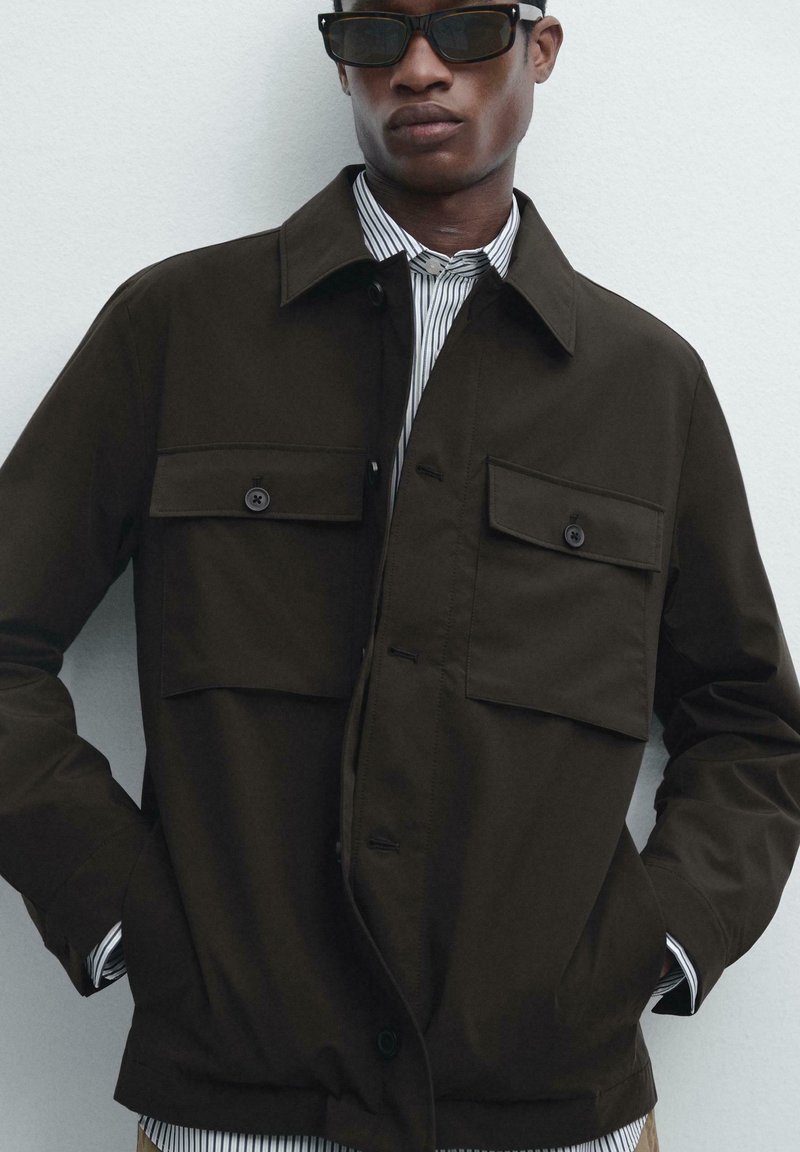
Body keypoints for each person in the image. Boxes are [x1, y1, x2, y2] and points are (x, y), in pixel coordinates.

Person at [1, 2, 799, 1150]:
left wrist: (652, 943)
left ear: (538, 48)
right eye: (376, 33)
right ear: (340, 61)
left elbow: (748, 725)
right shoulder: (176, 330)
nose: (418, 69)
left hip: (547, 1113)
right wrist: (117, 908)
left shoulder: (645, 386)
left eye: (464, 28)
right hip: (238, 1101)